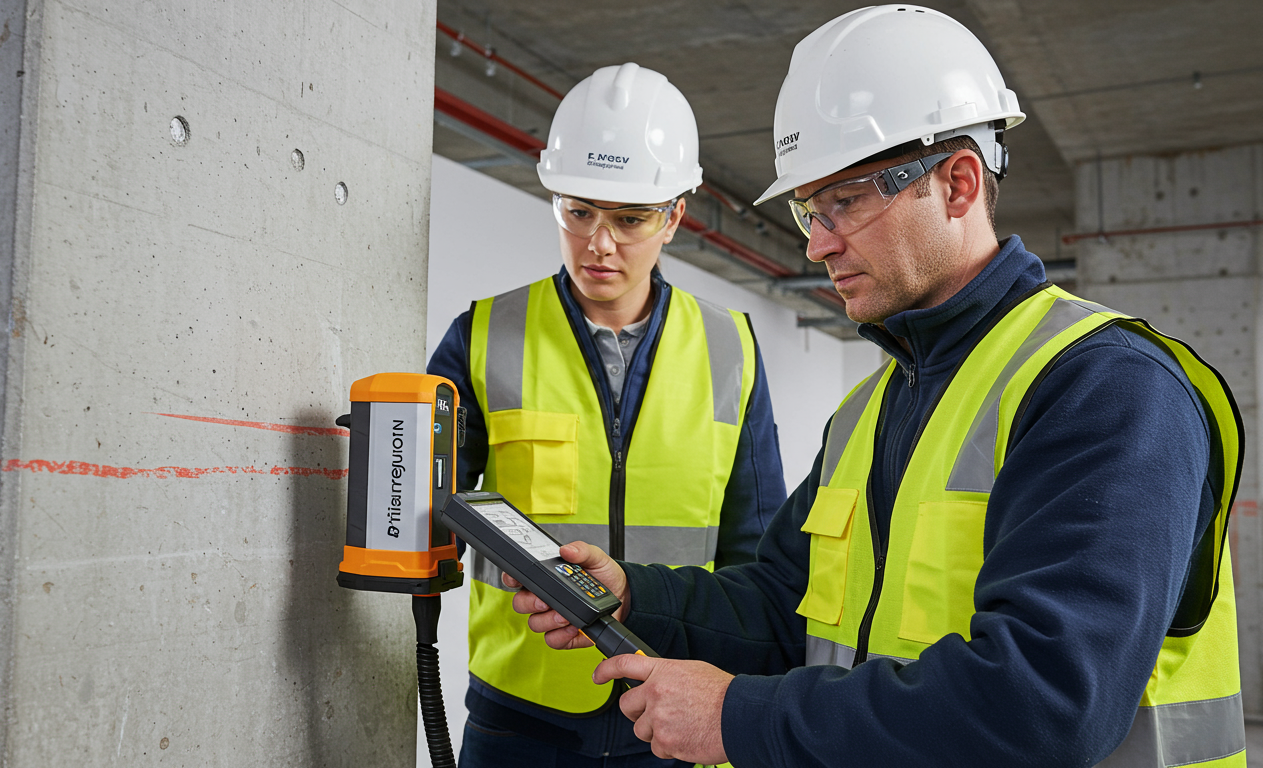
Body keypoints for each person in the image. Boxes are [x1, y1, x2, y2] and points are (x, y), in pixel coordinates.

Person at [509, 6, 1246, 767]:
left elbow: (1045, 699)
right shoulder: (870, 410)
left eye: (847, 202)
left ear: (958, 184)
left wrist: (740, 716)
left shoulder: (1107, 387)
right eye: (809, 209)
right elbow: (782, 606)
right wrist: (636, 595)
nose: (816, 244)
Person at [427, 62, 787, 767]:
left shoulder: (731, 347)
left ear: (674, 216)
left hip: (673, 703)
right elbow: (426, 512)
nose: (599, 243)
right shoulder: (485, 334)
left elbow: (756, 551)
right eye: (579, 211)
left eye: (629, 219)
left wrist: (738, 700)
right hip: (519, 710)